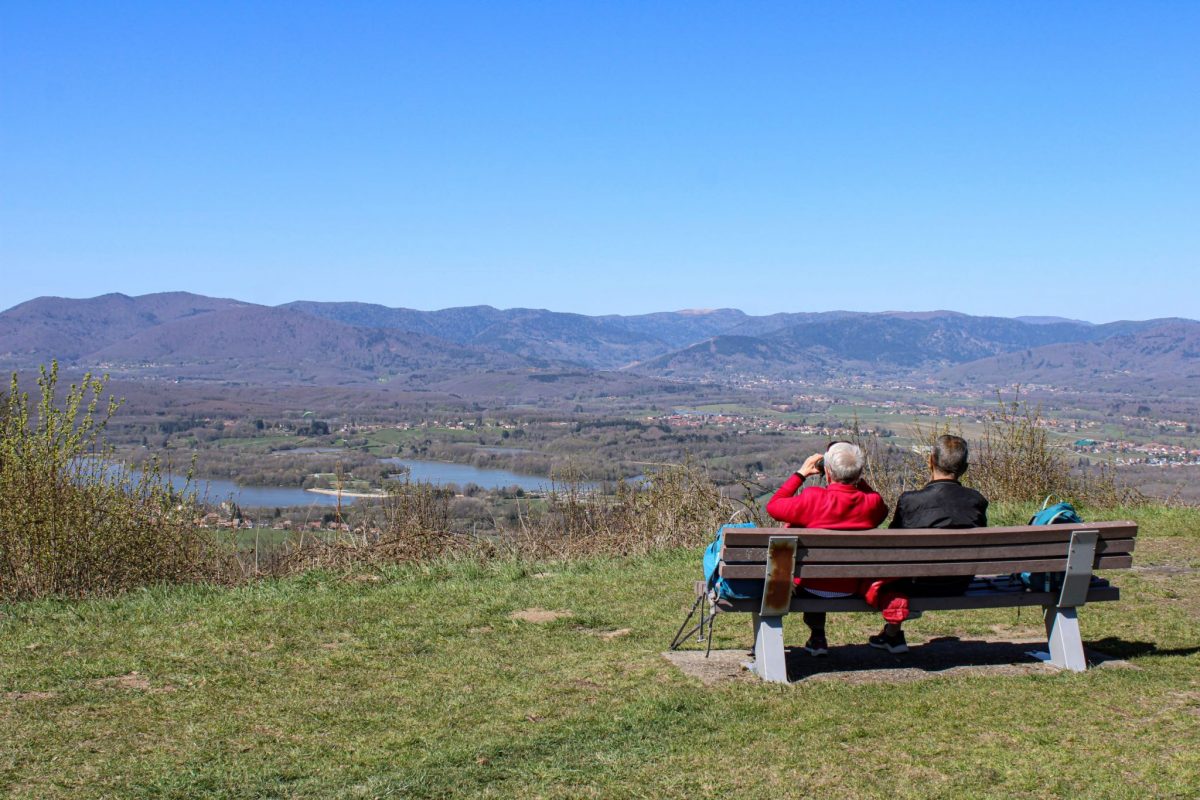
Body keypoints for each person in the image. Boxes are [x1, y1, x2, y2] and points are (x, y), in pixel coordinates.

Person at [867, 434, 988, 654]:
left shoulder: (910, 501)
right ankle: (891, 635)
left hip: (916, 584)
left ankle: (893, 634)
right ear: (965, 468)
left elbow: (893, 545)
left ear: (930, 461)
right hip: (959, 583)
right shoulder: (977, 501)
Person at [766, 442, 887, 656]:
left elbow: (773, 506)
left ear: (827, 471)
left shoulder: (813, 498)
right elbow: (880, 505)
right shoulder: (872, 504)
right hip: (852, 585)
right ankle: (817, 637)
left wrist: (801, 473)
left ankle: (818, 636)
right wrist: (856, 478)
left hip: (810, 586)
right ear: (859, 473)